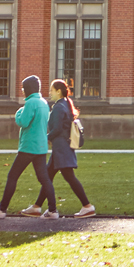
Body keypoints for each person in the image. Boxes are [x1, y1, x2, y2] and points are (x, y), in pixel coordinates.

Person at [0, 75, 57, 219]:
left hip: (28, 147)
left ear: (28, 89)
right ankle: (53, 210)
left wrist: (18, 113)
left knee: (12, 176)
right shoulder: (43, 102)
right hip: (41, 147)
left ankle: (1, 209)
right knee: (44, 179)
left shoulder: (30, 103)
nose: (22, 91)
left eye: (23, 88)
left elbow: (23, 122)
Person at [32, 79, 97, 219]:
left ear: (58, 91)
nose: (49, 93)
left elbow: (57, 129)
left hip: (61, 149)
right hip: (61, 149)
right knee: (48, 177)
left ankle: (87, 206)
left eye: (51, 90)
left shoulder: (58, 107)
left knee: (69, 177)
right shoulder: (65, 104)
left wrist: (46, 137)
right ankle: (38, 207)